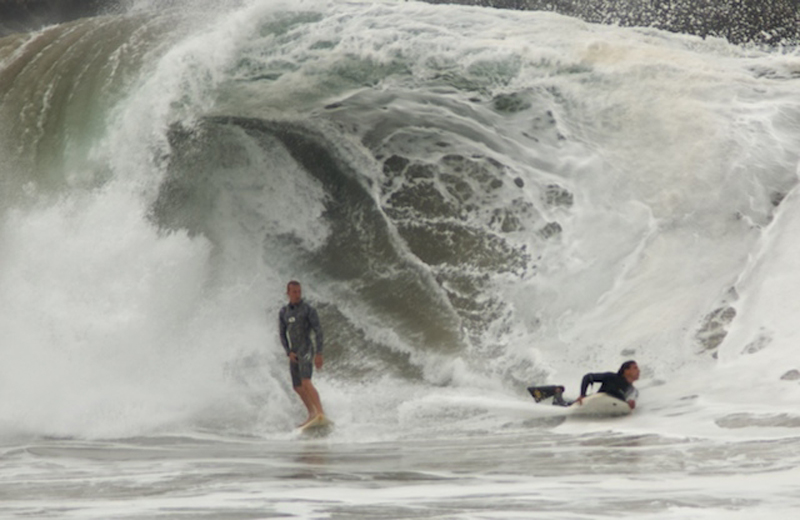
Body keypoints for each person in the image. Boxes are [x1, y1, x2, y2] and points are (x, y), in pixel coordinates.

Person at [278, 280, 325, 426]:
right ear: (288, 293)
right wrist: (288, 352)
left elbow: (318, 331)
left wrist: (319, 353)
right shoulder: (284, 312)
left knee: (306, 381)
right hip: (294, 352)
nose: (297, 295)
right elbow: (282, 334)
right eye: (294, 292)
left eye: (299, 292)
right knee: (297, 386)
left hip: (306, 349)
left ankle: (321, 412)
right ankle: (311, 413)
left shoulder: (308, 310)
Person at [576, 360, 640, 409]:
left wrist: (630, 404)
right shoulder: (611, 377)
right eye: (635, 368)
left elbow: (630, 402)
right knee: (568, 404)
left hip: (610, 408)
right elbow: (588, 377)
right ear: (626, 371)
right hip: (594, 402)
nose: (639, 371)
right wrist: (582, 395)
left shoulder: (633, 390)